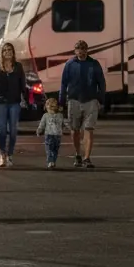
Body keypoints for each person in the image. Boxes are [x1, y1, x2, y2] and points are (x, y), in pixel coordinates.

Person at [60, 39, 105, 168]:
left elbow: (101, 82)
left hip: (91, 100)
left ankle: (87, 158)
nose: (81, 52)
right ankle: (77, 154)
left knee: (89, 129)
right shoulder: (70, 64)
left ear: (87, 50)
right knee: (75, 130)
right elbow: (63, 83)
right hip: (73, 100)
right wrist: (61, 100)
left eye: (83, 49)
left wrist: (101, 99)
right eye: (78, 49)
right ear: (75, 51)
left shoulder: (94, 64)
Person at [0, 41, 27, 168]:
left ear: (13, 52)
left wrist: (25, 99)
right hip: (1, 103)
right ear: (2, 53)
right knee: (2, 130)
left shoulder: (18, 67)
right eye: (5, 50)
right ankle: (2, 155)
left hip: (14, 102)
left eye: (10, 50)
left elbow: (23, 84)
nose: (8, 52)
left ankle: (10, 155)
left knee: (14, 131)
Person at [36, 97, 65, 169]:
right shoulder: (60, 115)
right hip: (57, 135)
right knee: (55, 149)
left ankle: (51, 161)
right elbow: (62, 125)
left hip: (49, 135)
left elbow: (42, 124)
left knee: (50, 149)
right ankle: (52, 161)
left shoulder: (46, 115)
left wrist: (39, 130)